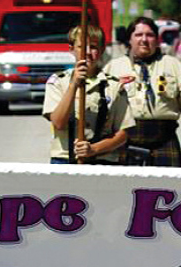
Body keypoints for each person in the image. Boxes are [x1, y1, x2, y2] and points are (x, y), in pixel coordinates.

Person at [103, 17, 181, 168]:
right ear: (129, 39)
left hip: (164, 141)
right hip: (124, 141)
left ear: (157, 39)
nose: (144, 40)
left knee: (168, 183)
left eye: (149, 35)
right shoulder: (113, 67)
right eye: (138, 35)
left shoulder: (173, 66)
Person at [43, 25, 133, 164]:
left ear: (102, 50)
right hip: (65, 158)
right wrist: (73, 85)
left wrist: (94, 149)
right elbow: (58, 123)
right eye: (81, 47)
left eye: (94, 47)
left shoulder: (114, 86)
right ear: (71, 49)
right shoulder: (58, 82)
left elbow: (123, 133)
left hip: (103, 159)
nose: (88, 52)